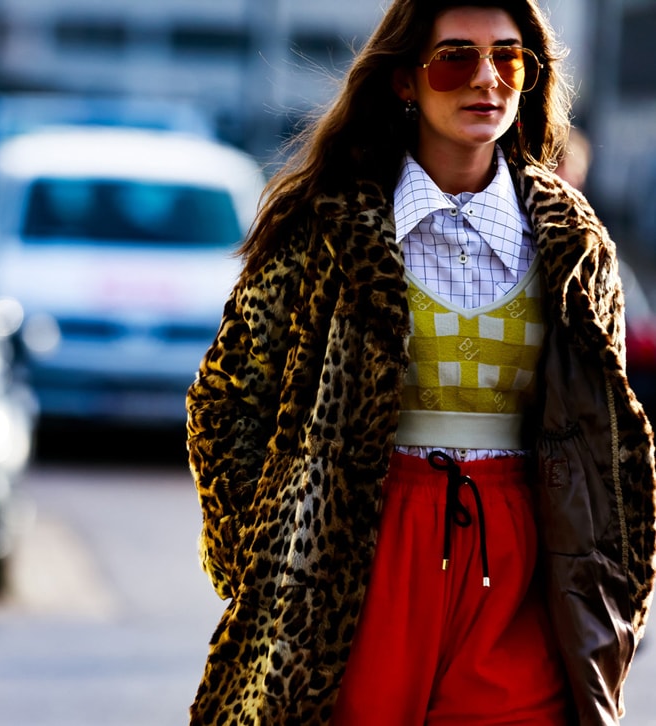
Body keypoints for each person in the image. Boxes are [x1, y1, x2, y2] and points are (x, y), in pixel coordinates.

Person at [186, 0, 656, 724]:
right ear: (407, 80)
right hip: (364, 552)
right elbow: (225, 402)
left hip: (524, 556)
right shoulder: (326, 225)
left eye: (507, 57)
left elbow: (613, 439)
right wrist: (265, 561)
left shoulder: (574, 243)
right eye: (455, 58)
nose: (485, 79)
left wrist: (616, 581)